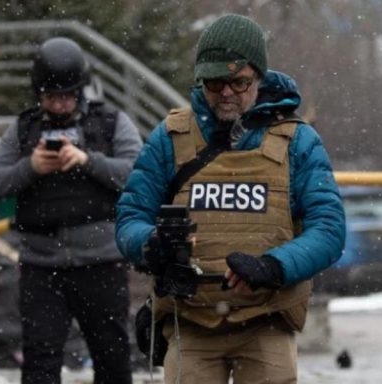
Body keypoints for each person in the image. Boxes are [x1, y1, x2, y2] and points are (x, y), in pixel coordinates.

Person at [114, 14, 345, 384]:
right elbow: (129, 218)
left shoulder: (298, 141)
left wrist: (274, 266)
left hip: (266, 320)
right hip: (190, 321)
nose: (225, 93)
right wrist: (150, 245)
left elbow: (329, 230)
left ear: (259, 77)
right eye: (214, 82)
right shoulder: (171, 137)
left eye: (239, 83)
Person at [0, 37, 141, 384]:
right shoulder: (23, 128)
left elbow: (137, 173)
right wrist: (32, 167)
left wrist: (87, 161)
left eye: (67, 96)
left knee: (113, 359)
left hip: (101, 263)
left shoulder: (111, 122)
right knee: (40, 363)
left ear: (81, 91)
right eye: (51, 97)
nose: (59, 104)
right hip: (42, 266)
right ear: (38, 94)